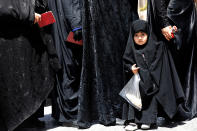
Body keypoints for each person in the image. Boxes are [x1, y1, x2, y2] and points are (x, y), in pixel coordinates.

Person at [77, 0, 139, 129]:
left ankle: (123, 110)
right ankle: (114, 109)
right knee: (107, 55)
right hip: (105, 15)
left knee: (117, 55)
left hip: (117, 15)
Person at [0, 0, 59, 130]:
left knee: (31, 79)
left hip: (27, 36)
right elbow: (4, 7)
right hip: (11, 39)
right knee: (14, 83)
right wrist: (29, 14)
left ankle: (27, 119)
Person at [122, 20, 185, 130]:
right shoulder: (131, 48)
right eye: (136, 35)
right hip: (137, 82)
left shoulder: (155, 46)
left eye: (143, 34)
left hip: (151, 82)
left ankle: (148, 121)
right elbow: (126, 62)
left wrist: (174, 31)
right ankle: (133, 121)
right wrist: (131, 68)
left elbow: (163, 50)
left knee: (151, 98)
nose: (140, 38)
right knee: (134, 99)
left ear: (148, 34)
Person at [148, 0, 197, 120]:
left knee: (186, 61)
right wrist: (164, 23)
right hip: (170, 16)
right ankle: (170, 108)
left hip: (187, 15)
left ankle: (187, 103)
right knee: (170, 62)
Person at [48, 0, 83, 126]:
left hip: (55, 27)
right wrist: (77, 24)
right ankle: (70, 114)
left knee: (61, 67)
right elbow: (71, 5)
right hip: (68, 28)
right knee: (70, 68)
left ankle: (60, 113)